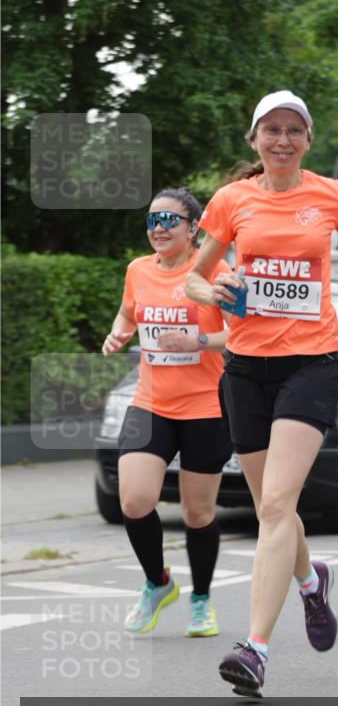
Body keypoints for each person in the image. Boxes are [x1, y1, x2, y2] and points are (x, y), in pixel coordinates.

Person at [186, 90, 338, 697]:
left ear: (308, 140)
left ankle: (256, 648)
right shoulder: (229, 202)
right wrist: (211, 291)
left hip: (311, 363)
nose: (283, 140)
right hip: (245, 367)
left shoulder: (332, 194)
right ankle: (311, 584)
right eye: (272, 129)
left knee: (273, 505)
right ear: (254, 139)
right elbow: (195, 272)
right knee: (278, 505)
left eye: (295, 130)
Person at [102, 188, 232, 638]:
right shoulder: (138, 270)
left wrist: (196, 342)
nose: (157, 228)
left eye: (168, 220)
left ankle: (201, 600)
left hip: (206, 406)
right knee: (135, 501)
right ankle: (158, 583)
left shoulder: (216, 270)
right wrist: (118, 334)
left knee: (198, 514)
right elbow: (127, 313)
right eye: (151, 220)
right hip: (151, 402)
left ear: (193, 227)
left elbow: (241, 335)